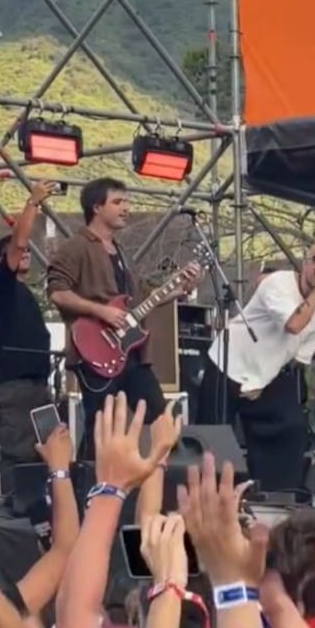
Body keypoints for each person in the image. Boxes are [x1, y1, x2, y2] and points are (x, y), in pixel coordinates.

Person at [47, 177, 198, 446]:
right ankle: (88, 483)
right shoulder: (76, 247)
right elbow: (57, 292)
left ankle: (163, 478)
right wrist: (101, 312)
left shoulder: (122, 252)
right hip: (94, 351)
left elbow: (139, 300)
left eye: (126, 201)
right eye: (118, 202)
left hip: (132, 353)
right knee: (101, 426)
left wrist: (178, 289)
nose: (126, 208)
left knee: (161, 415)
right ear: (96, 207)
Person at [196, 244, 315, 492]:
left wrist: (263, 381)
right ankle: (213, 497)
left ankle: (275, 496)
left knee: (291, 428)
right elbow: (294, 324)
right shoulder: (277, 284)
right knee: (215, 438)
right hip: (229, 362)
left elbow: (297, 354)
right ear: (305, 262)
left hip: (265, 374)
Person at [0, 182, 56, 502]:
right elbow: (18, 241)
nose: (25, 254)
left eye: (29, 253)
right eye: (19, 252)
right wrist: (33, 204)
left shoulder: (25, 291)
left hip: (38, 382)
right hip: (16, 383)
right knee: (18, 450)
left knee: (45, 448)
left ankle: (37, 507)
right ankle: (12, 508)